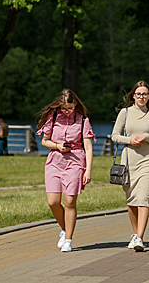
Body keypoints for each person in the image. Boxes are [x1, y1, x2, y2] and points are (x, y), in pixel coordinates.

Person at [36, 89, 95, 252]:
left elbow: (88, 148)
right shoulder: (53, 117)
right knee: (53, 202)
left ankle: (68, 238)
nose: (67, 111)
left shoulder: (83, 120)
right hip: (55, 161)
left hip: (76, 161)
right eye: (63, 108)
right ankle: (64, 229)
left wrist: (88, 170)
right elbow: (44, 141)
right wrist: (57, 146)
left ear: (76, 105)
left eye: (70, 108)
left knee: (70, 202)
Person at [111, 80, 149, 252]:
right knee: (131, 200)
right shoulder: (125, 113)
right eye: (139, 94)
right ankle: (135, 234)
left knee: (143, 198)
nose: (142, 97)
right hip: (128, 160)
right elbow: (114, 136)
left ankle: (140, 237)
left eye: (145, 94)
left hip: (147, 160)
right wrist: (130, 140)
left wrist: (146, 136)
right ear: (133, 95)